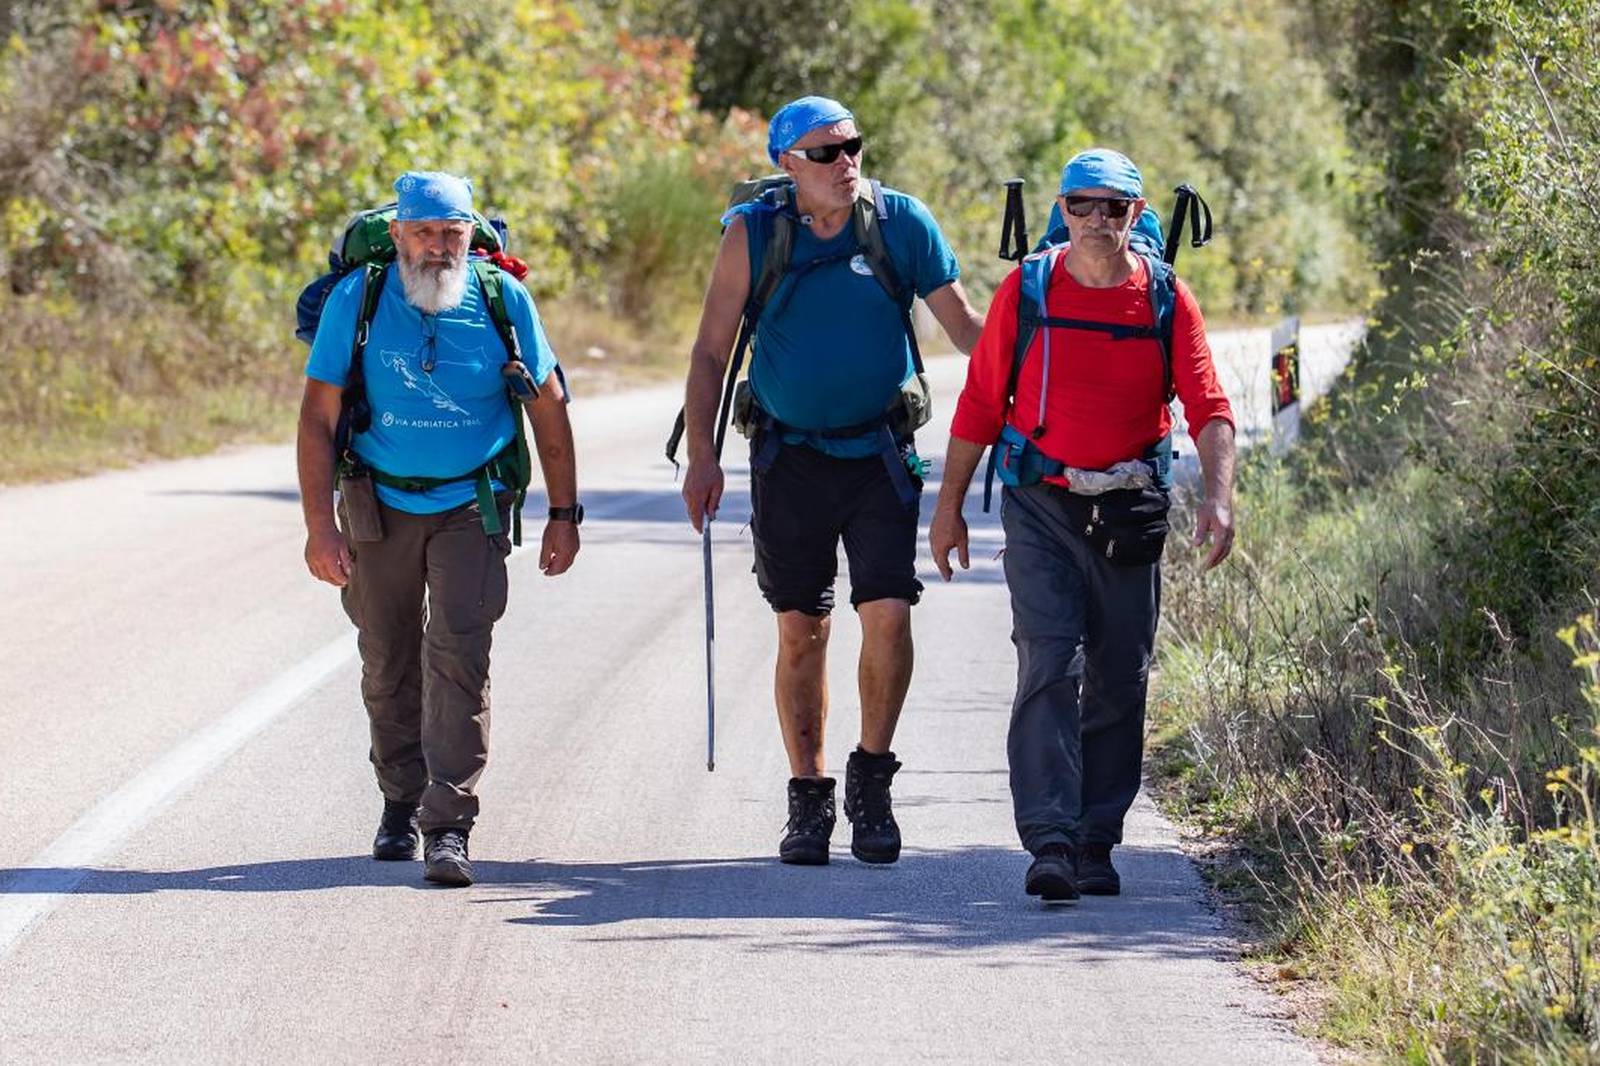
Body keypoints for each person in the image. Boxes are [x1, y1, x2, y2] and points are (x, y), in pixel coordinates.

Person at [679, 96, 984, 866]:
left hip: (881, 454)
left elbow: (968, 329)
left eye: (853, 146)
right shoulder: (755, 234)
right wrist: (705, 459)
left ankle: (872, 782)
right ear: (788, 163)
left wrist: (1034, 365)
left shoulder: (902, 224)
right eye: (825, 152)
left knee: (888, 614)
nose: (846, 162)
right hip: (788, 460)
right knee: (799, 628)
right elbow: (712, 351)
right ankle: (808, 797)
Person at [929, 148, 1236, 901]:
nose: (1098, 220)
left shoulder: (1166, 298)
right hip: (1042, 501)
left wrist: (1217, 498)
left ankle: (1098, 838)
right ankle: (1052, 840)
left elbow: (1208, 405)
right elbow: (978, 405)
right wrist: (948, 510)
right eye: (1083, 205)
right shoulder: (1026, 290)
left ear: (1136, 214)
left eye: (1115, 207)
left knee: (1120, 675)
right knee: (1048, 662)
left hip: (1130, 503)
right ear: (1061, 211)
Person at [297, 171, 580, 888]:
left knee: (459, 658)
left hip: (471, 506)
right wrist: (318, 527)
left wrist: (564, 513)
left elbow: (549, 409)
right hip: (376, 504)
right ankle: (399, 799)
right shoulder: (356, 300)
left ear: (469, 234)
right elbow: (318, 417)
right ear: (396, 234)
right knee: (387, 661)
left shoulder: (500, 298)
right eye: (423, 232)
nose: (437, 248)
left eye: (451, 233)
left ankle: (447, 823)